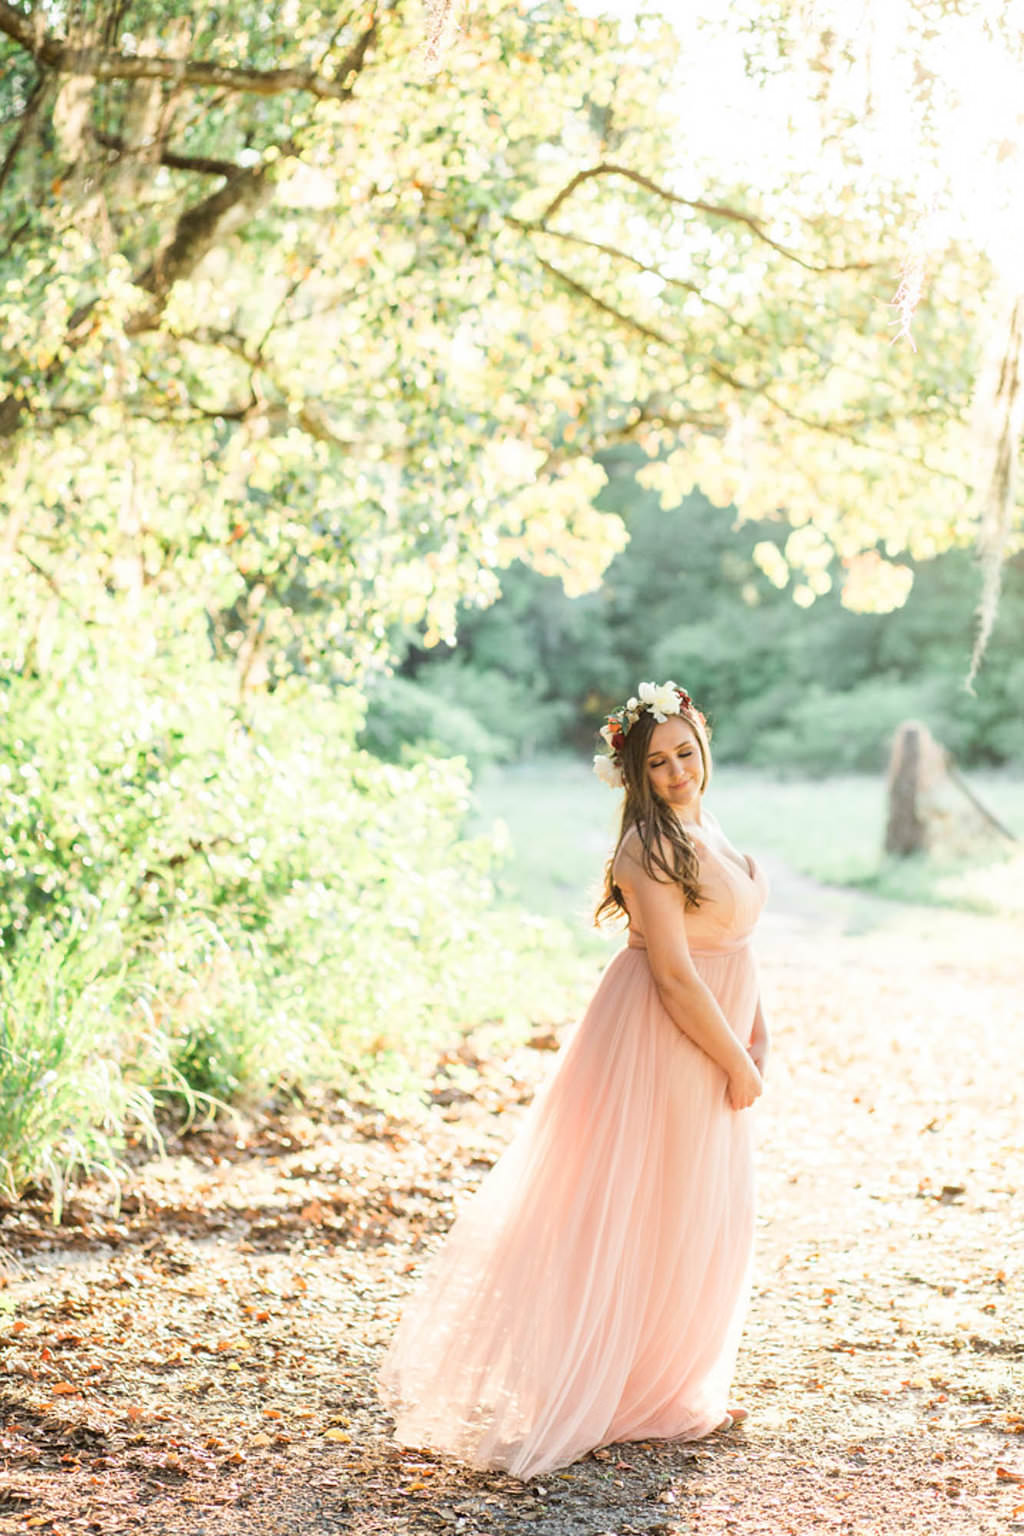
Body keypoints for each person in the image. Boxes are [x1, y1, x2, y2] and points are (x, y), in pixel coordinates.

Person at [376, 681, 770, 1480]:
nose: (675, 772)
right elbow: (674, 975)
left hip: (716, 1032)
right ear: (633, 774)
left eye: (685, 753)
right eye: (656, 764)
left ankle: (672, 1384)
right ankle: (624, 1392)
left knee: (698, 1205)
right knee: (646, 1202)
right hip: (664, 1038)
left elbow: (733, 951)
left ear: (703, 742)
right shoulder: (649, 849)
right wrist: (734, 1057)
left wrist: (756, 1035)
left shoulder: (709, 827)